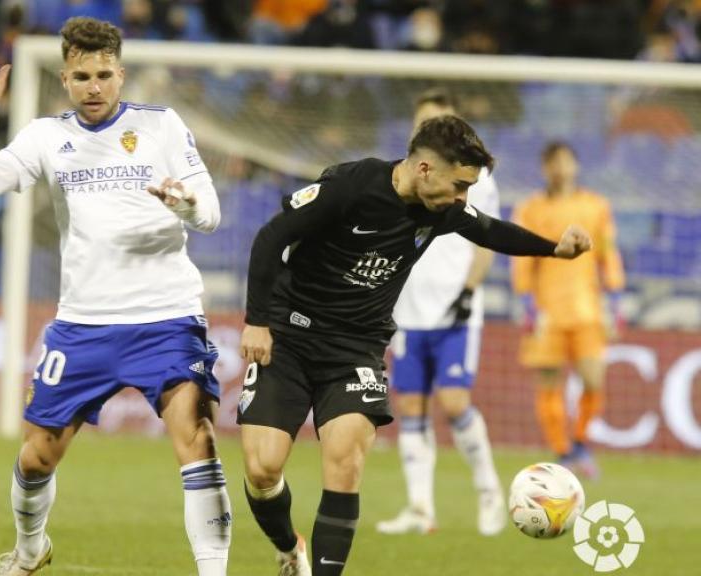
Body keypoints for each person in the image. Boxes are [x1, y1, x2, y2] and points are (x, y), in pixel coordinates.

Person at [237, 115, 592, 576]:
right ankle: (288, 548)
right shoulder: (350, 186)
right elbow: (271, 237)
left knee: (344, 464)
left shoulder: (443, 209)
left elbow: (489, 230)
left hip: (356, 349)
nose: (463, 198)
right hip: (288, 336)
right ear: (425, 169)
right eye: (460, 185)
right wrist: (257, 322)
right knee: (263, 469)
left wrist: (554, 248)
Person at [0, 17, 231, 576]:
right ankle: (30, 550)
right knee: (37, 456)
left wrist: (184, 204)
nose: (94, 87)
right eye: (82, 76)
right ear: (64, 78)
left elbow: (210, 212)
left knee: (197, 439)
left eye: (104, 75)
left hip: (166, 316)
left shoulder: (160, 125)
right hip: (84, 322)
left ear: (120, 75)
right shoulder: (46, 136)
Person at [376, 89, 505, 536]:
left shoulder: (476, 179)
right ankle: (420, 508)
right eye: (422, 120)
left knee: (454, 402)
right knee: (410, 405)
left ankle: (490, 492)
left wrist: (469, 291)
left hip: (454, 309)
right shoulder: (406, 175)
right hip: (408, 312)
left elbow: (489, 239)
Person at [512, 141, 625, 480]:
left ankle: (581, 443)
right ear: (544, 168)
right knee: (549, 384)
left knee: (594, 380)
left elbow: (608, 252)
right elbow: (521, 257)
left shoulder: (595, 206)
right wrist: (526, 300)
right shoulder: (530, 209)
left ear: (576, 166)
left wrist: (615, 296)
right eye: (553, 162)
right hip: (547, 312)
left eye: (565, 161)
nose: (560, 169)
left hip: (587, 310)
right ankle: (562, 452)